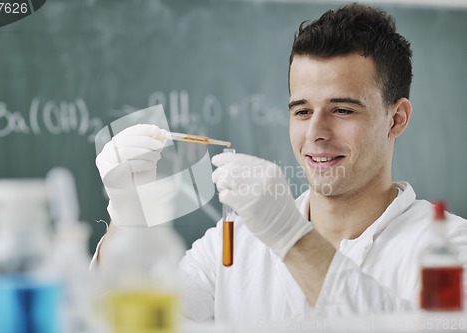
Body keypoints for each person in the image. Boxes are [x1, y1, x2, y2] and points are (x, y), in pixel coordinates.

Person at [93, 3, 467, 328]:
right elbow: (129, 325)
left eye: (342, 109)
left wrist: (290, 238)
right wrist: (127, 220)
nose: (316, 133)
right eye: (302, 111)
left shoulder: (450, 249)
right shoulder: (232, 245)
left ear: (396, 118)